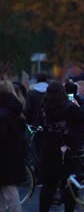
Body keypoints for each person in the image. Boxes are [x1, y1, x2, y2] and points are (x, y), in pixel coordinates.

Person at [39, 82, 84, 212]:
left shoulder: (45, 107)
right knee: (68, 185)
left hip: (49, 150)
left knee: (48, 185)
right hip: (67, 150)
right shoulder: (70, 107)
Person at [0, 80, 26, 212]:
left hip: (4, 155)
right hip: (13, 154)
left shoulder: (3, 112)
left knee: (8, 190)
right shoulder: (15, 108)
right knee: (10, 189)